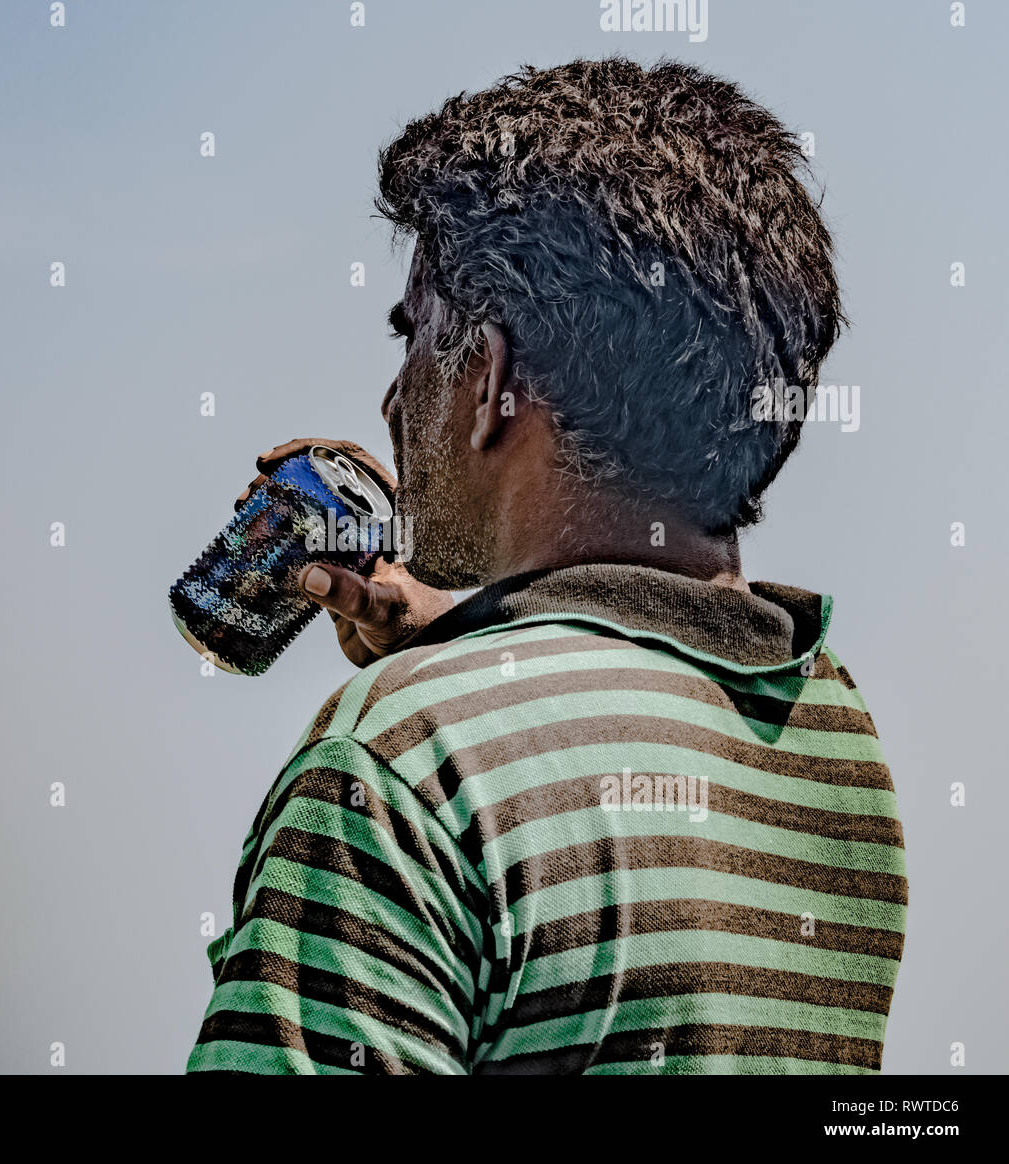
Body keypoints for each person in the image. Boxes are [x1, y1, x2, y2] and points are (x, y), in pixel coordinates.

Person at [186, 57, 907, 1074]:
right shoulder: (832, 733)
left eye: (415, 339)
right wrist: (487, 643)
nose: (394, 399)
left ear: (490, 381)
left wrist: (455, 695)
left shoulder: (397, 761)